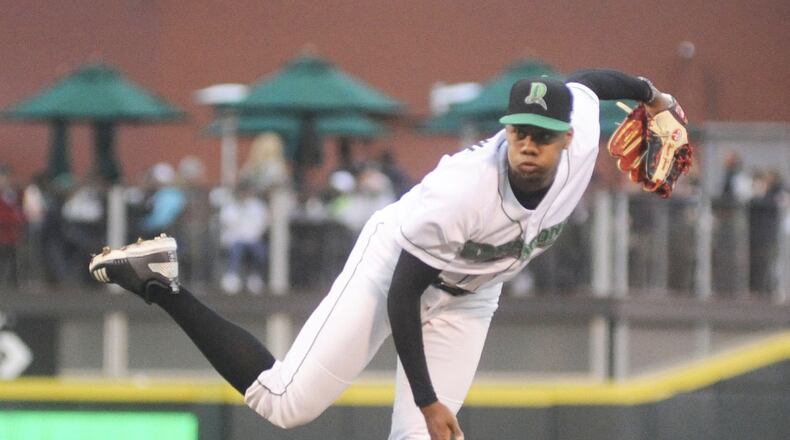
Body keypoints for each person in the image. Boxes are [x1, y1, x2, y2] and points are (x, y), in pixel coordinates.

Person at [88, 69, 677, 439]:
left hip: (472, 296)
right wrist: (427, 400)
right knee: (285, 403)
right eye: (519, 130)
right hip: (395, 266)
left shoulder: (581, 139)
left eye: (542, 135)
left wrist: (657, 99)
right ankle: (160, 281)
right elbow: (403, 293)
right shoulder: (461, 192)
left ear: (568, 138)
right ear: (507, 129)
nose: (527, 144)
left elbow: (590, 84)